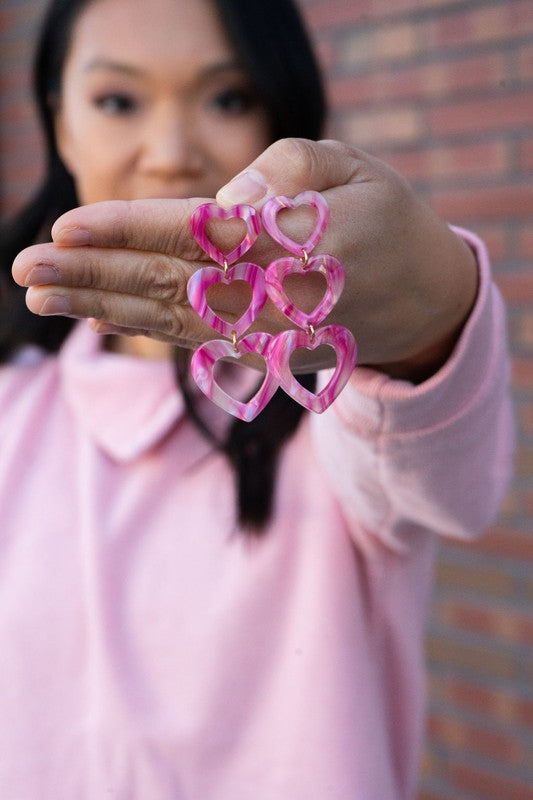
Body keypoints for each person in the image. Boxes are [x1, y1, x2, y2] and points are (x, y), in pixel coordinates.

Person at [1, 0, 513, 798]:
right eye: (117, 101)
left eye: (228, 98)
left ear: (283, 119)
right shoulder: (13, 404)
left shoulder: (333, 400)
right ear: (59, 126)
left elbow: (449, 483)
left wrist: (433, 313)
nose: (170, 155)